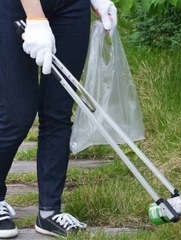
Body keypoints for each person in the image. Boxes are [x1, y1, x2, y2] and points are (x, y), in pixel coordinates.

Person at [0, 0, 117, 238]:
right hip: (15, 5)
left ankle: (49, 212)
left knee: (59, 110)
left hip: (72, 6)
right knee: (17, 114)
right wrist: (35, 17)